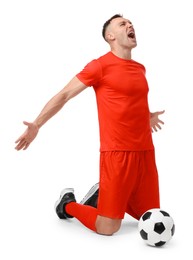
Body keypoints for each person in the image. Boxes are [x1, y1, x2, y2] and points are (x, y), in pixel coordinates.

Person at [15, 14, 165, 236]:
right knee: (107, 228)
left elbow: (132, 98)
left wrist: (147, 115)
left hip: (145, 152)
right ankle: (68, 204)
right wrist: (37, 124)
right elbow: (64, 95)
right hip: (116, 154)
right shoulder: (99, 66)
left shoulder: (140, 68)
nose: (130, 25)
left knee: (149, 215)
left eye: (130, 23)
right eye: (122, 24)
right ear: (110, 36)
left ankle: (104, 198)